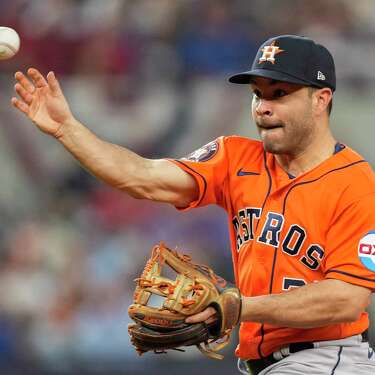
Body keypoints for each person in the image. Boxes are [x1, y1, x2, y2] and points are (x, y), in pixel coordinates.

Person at [11, 35, 375, 375]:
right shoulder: (236, 158)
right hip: (263, 362)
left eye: (279, 94)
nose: (263, 108)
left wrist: (238, 307)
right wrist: (66, 129)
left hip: (328, 358)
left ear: (321, 100)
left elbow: (346, 299)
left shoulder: (355, 184)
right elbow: (143, 177)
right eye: (257, 94)